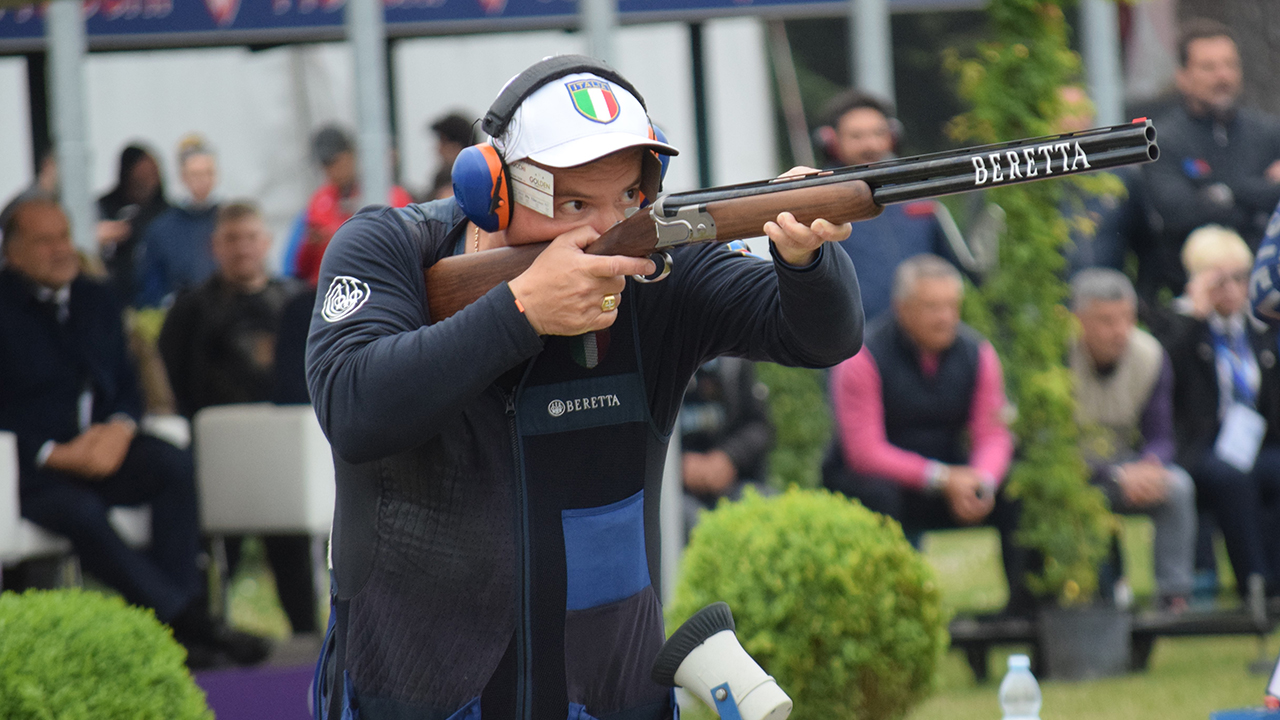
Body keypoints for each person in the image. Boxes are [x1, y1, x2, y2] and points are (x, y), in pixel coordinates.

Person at [305, 55, 863, 720]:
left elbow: (819, 337)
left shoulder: (656, 271)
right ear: (494, 193)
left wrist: (807, 259)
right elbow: (355, 408)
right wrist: (517, 313)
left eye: (627, 198)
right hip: (410, 695)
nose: (604, 232)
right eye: (573, 203)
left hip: (607, 699)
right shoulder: (388, 249)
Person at [0, 194, 268, 667]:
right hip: (32, 473)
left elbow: (126, 384)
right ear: (12, 251)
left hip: (106, 451)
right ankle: (189, 621)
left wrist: (120, 430)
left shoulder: (94, 298)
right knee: (80, 512)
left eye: (64, 236)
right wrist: (51, 454)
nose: (61, 249)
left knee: (172, 464)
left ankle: (178, 627)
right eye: (44, 241)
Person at [822, 253, 1032, 614]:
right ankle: (897, 614)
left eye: (952, 306)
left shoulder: (978, 353)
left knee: (1023, 488)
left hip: (949, 481)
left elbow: (993, 435)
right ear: (901, 308)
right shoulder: (862, 356)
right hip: (876, 483)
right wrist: (942, 478)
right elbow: (864, 451)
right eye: (932, 307)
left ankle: (1023, 616)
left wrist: (981, 482)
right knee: (879, 498)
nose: (945, 317)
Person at [158, 200, 315, 634]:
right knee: (212, 557)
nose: (242, 248)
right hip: (213, 454)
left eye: (249, 238)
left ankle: (307, 636)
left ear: (265, 242)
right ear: (215, 246)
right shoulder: (191, 309)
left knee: (292, 553)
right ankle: (209, 633)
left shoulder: (294, 303)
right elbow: (172, 380)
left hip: (284, 456)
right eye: (232, 239)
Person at [1162, 224, 1280, 600]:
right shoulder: (1180, 327)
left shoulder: (1259, 330)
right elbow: (1165, 375)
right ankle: (1256, 583)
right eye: (1219, 280)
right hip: (1202, 446)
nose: (1231, 288)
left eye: (1240, 278)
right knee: (1232, 478)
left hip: (1257, 441)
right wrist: (1194, 315)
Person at [1069, 268, 1196, 611]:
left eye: (1127, 318)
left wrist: (1151, 466)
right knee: (1077, 496)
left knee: (1178, 488)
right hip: (1074, 471)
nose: (1120, 331)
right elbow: (1047, 446)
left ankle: (1173, 597)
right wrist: (1115, 476)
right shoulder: (1056, 356)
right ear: (1077, 321)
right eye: (1106, 321)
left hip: (1128, 463)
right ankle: (1097, 597)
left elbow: (1161, 435)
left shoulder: (1150, 355)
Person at [1138, 19, 1280, 304]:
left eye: (1229, 65)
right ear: (1183, 76)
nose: (1222, 76)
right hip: (1191, 297)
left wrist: (1219, 193)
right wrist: (1256, 192)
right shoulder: (1163, 140)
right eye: (1209, 67)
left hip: (1266, 291)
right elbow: (1176, 211)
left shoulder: (1267, 133)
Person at [817, 89, 974, 321]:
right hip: (850, 343)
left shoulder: (920, 197)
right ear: (831, 142)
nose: (870, 144)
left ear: (893, 136)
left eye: (877, 133)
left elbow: (958, 272)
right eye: (857, 136)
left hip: (920, 341)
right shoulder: (818, 204)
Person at [293, 126, 414, 286]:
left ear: (352, 155)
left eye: (332, 162)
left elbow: (407, 247)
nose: (328, 170)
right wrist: (311, 244)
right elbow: (302, 268)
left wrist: (336, 236)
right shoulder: (319, 199)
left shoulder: (391, 195)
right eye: (323, 164)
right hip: (329, 290)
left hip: (379, 285)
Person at [680, 357, 776, 538]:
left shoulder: (733, 357)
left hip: (731, 483)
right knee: (695, 526)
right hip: (671, 491)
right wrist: (676, 466)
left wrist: (729, 457)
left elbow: (759, 427)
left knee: (770, 511)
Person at [134, 136, 220, 308]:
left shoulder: (228, 223)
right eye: (195, 174)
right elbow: (151, 289)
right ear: (183, 177)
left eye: (208, 173)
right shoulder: (162, 229)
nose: (202, 181)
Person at [97, 144, 170, 306]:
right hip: (113, 289)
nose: (147, 182)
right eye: (141, 177)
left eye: (151, 175)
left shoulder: (166, 214)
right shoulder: (104, 206)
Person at [426, 110, 477, 198]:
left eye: (443, 142)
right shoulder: (442, 180)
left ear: (457, 147)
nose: (438, 150)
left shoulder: (453, 191)